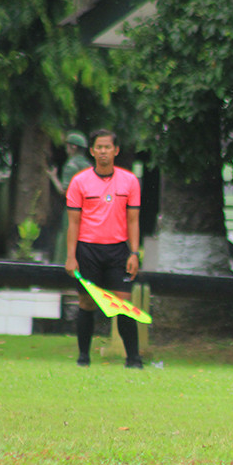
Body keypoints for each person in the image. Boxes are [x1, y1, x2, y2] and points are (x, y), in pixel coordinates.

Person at [64, 129, 143, 368]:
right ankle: (83, 358)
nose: (103, 152)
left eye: (107, 147)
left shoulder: (129, 181)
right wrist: (70, 257)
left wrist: (134, 253)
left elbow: (133, 220)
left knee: (123, 303)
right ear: (92, 151)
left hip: (118, 251)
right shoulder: (80, 182)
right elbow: (74, 223)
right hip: (87, 250)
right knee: (87, 303)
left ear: (116, 151)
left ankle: (133, 360)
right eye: (98, 147)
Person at [47, 131, 91, 264]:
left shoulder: (71, 166)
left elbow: (64, 191)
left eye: (68, 146)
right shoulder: (89, 167)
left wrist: (53, 177)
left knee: (67, 241)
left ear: (73, 147)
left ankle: (64, 273)